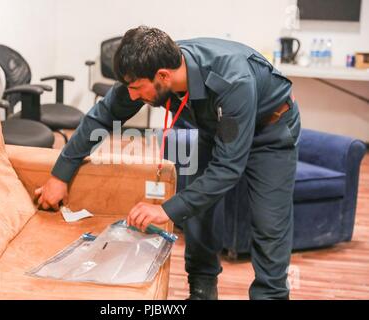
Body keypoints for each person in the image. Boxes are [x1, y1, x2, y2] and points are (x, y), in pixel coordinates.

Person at [35, 26, 301, 300]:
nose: (133, 96)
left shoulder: (231, 80)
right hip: (215, 130)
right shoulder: (151, 66)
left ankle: (271, 295)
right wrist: (60, 175)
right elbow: (101, 117)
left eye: (137, 89)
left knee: (269, 225)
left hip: (270, 131)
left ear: (163, 76)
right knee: (197, 212)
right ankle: (202, 289)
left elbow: (228, 168)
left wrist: (167, 210)